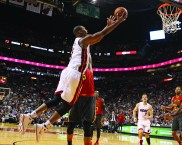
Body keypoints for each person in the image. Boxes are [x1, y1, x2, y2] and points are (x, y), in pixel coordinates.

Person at [18, 12, 128, 142]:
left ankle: (29, 116)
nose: (87, 31)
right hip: (75, 74)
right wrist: (118, 23)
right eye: (84, 29)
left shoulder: (79, 44)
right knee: (68, 105)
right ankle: (44, 126)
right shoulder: (82, 40)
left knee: (56, 99)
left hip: (66, 72)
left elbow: (98, 36)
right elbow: (100, 35)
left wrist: (106, 26)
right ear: (80, 32)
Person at [67, 55, 95, 145]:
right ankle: (69, 143)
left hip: (89, 98)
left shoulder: (89, 70)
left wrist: (88, 49)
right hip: (78, 97)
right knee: (71, 124)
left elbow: (89, 62)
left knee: (87, 126)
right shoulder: (75, 70)